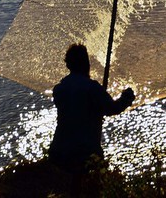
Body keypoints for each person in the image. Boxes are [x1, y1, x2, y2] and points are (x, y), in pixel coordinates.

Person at [48, 43, 135, 196]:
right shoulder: (91, 88)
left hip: (58, 152)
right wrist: (126, 98)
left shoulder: (59, 89)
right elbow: (111, 109)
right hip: (84, 153)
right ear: (86, 63)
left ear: (68, 64)